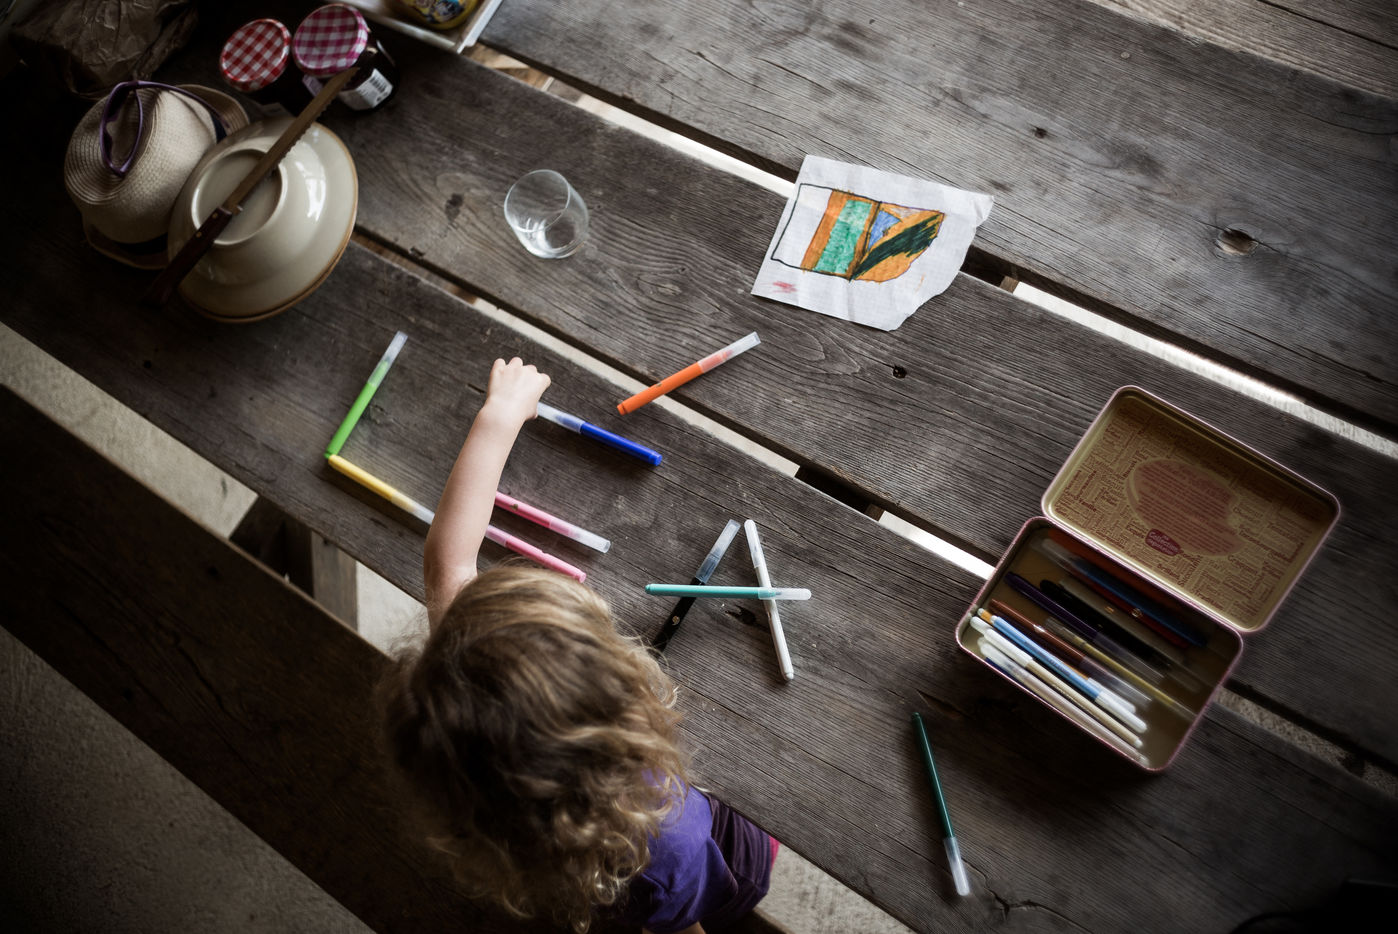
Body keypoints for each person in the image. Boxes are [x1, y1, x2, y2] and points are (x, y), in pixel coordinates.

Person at [379, 357, 776, 934]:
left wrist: (500, 415)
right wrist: (499, 415)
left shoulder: (460, 682)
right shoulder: (667, 847)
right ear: (626, 707)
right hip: (721, 862)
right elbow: (679, 920)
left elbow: (449, 563)